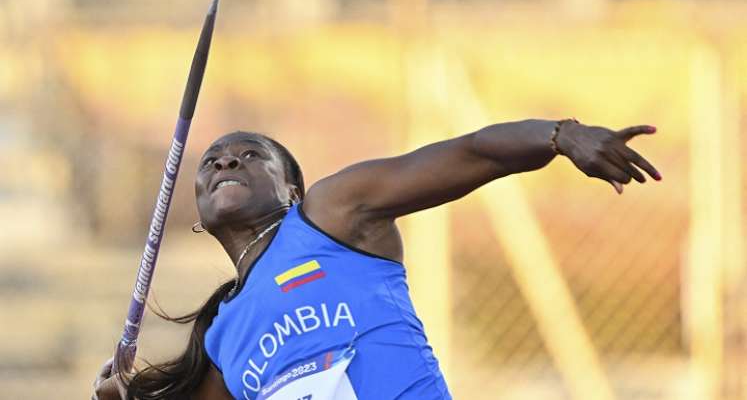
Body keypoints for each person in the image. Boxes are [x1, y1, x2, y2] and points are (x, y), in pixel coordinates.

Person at [93, 118, 661, 400]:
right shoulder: (222, 337)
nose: (225, 164)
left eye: (249, 156)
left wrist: (560, 136)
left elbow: (466, 155)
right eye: (212, 162)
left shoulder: (331, 217)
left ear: (292, 190)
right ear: (197, 212)